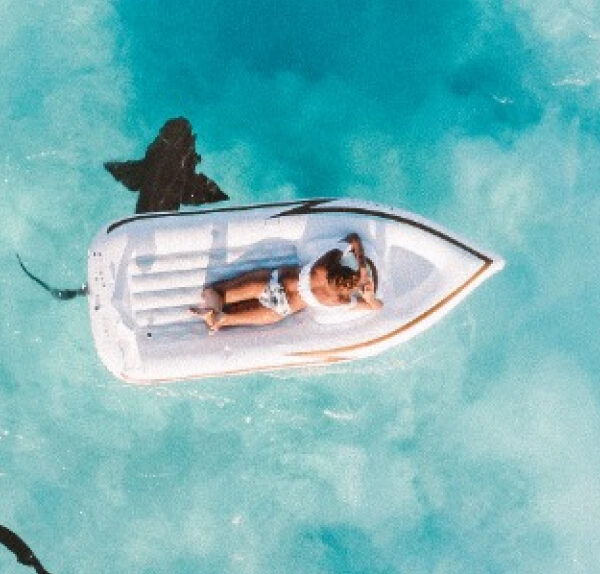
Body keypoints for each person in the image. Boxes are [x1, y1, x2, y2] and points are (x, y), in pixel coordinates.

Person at [190, 233, 383, 332]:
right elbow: (376, 307)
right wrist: (369, 296)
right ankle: (215, 318)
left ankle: (213, 308)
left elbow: (353, 239)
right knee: (225, 319)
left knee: (214, 291)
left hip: (271, 283)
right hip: (280, 309)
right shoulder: (339, 301)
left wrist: (362, 269)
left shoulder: (324, 265)